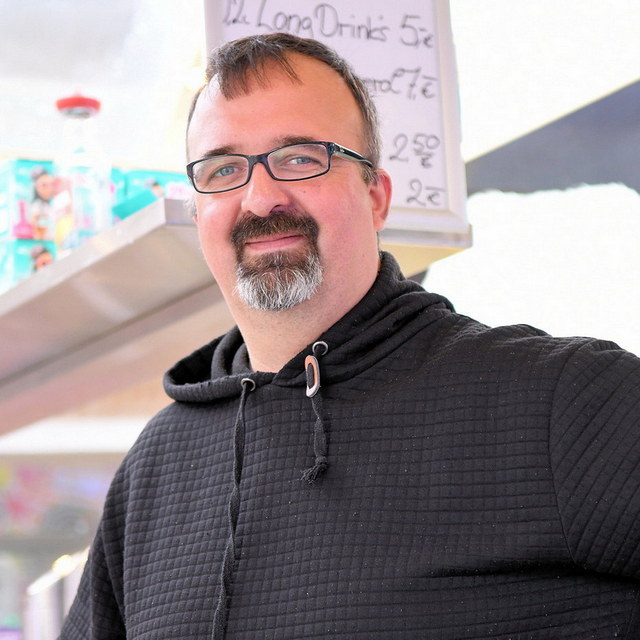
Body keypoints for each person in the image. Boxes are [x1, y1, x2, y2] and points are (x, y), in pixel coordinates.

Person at [60, 33, 640, 639]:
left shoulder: (562, 401)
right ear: (198, 211)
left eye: (300, 157)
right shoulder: (156, 466)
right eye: (224, 169)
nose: (260, 198)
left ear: (376, 197)